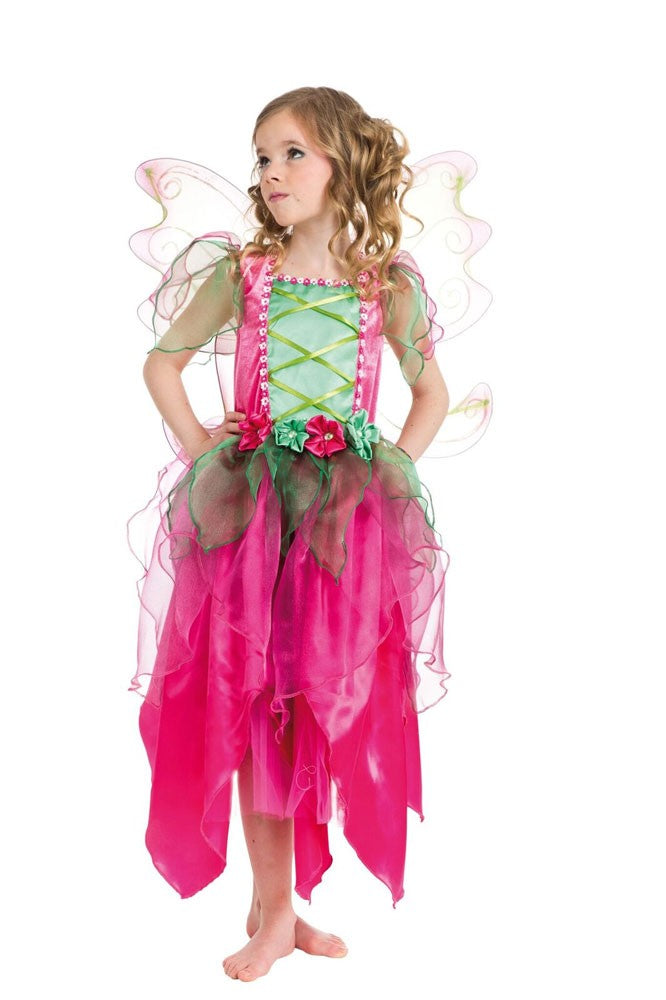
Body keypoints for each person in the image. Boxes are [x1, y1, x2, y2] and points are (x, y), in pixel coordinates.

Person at [128, 86, 455, 983]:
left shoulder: (386, 289)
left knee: (318, 707)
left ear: (346, 163)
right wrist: (202, 446)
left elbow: (430, 391)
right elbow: (162, 363)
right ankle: (276, 914)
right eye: (263, 157)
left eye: (293, 154)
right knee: (256, 704)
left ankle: (278, 905)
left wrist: (393, 462)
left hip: (342, 529)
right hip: (253, 525)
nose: (272, 173)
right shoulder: (247, 276)